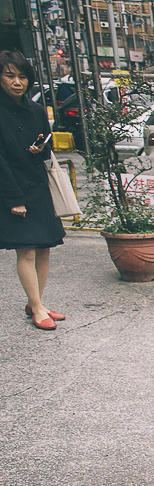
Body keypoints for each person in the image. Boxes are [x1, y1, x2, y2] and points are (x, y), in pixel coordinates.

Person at [0, 51, 66, 330]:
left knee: (44, 248)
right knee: (25, 250)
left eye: (23, 76)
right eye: (10, 75)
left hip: (39, 186)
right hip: (11, 186)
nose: (17, 82)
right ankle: (37, 307)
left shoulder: (37, 110)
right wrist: (13, 198)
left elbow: (47, 145)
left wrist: (42, 147)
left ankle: (35, 300)